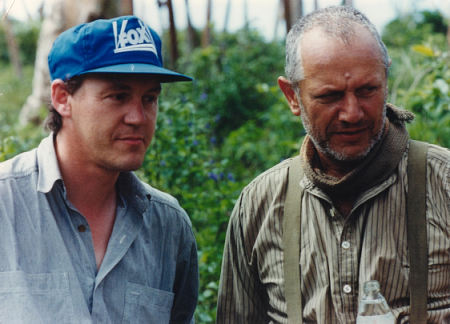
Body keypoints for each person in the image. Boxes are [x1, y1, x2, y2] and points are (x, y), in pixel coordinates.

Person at [217, 6, 449, 323]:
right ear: (292, 97)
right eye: (330, 96)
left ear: (386, 79)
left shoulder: (443, 183)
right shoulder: (258, 206)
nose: (352, 113)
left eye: (368, 90)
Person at [0, 16, 198, 323]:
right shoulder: (5, 202)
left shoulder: (168, 227)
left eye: (150, 98)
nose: (137, 117)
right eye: (118, 96)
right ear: (62, 98)